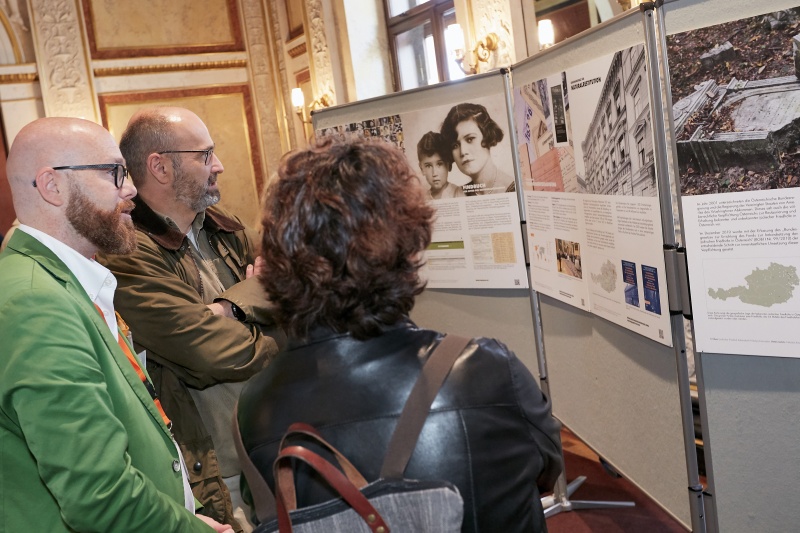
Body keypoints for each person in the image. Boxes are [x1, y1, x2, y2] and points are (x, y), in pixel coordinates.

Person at [237, 138, 563, 532]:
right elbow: (545, 471)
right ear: (408, 246)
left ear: (276, 264)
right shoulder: (487, 370)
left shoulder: (255, 407)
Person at [0, 117, 233, 532]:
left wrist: (184, 511)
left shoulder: (64, 280)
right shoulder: (36, 303)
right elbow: (99, 494)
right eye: (114, 173)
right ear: (52, 186)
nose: (130, 190)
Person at [97, 107, 282, 532]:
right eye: (205, 155)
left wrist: (226, 311)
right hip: (215, 472)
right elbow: (209, 354)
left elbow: (299, 307)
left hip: (272, 444)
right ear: (159, 167)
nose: (219, 165)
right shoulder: (126, 253)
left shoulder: (228, 229)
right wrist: (259, 308)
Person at [441, 102, 516, 196]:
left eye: (470, 139)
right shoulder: (457, 195)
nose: (463, 152)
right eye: (455, 145)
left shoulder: (515, 190)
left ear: (487, 136)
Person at [417, 130, 459, 200]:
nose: (434, 173)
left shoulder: (458, 193)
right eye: (428, 166)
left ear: (448, 165)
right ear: (422, 169)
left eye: (439, 164)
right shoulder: (422, 201)